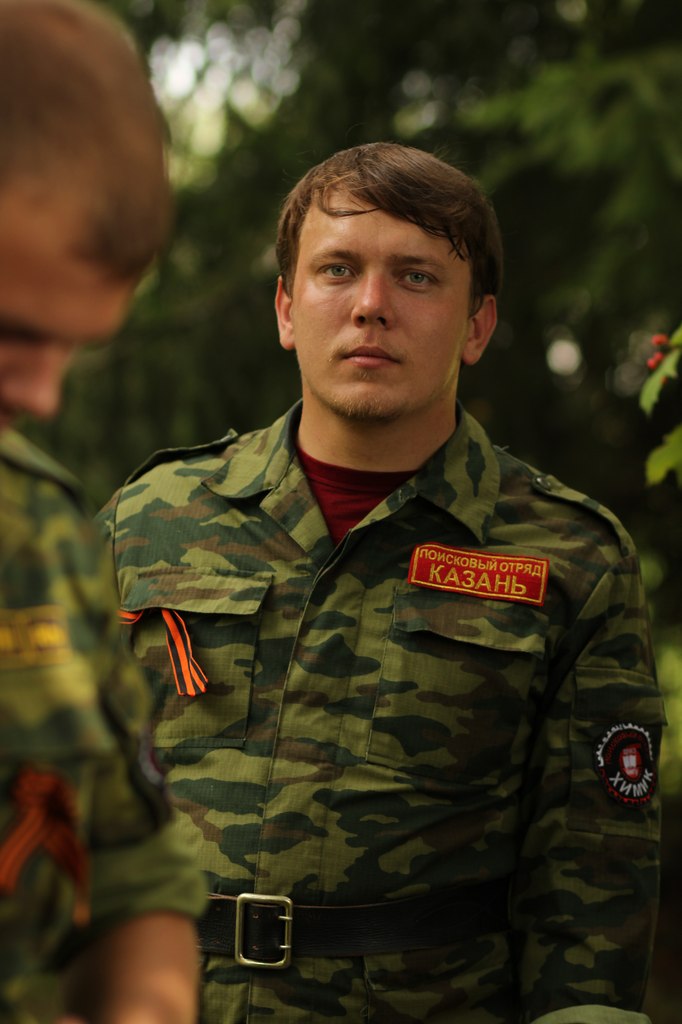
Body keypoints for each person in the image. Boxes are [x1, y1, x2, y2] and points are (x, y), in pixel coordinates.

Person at [99, 142, 664, 1024]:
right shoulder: (150, 519)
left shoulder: (568, 556)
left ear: (476, 326)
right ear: (287, 309)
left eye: (416, 276)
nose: (371, 305)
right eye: (337, 270)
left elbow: (592, 889)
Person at [0, 0, 207, 1020]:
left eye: (73, 345)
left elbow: (129, 865)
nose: (43, 395)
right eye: (11, 332)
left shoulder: (38, 528)